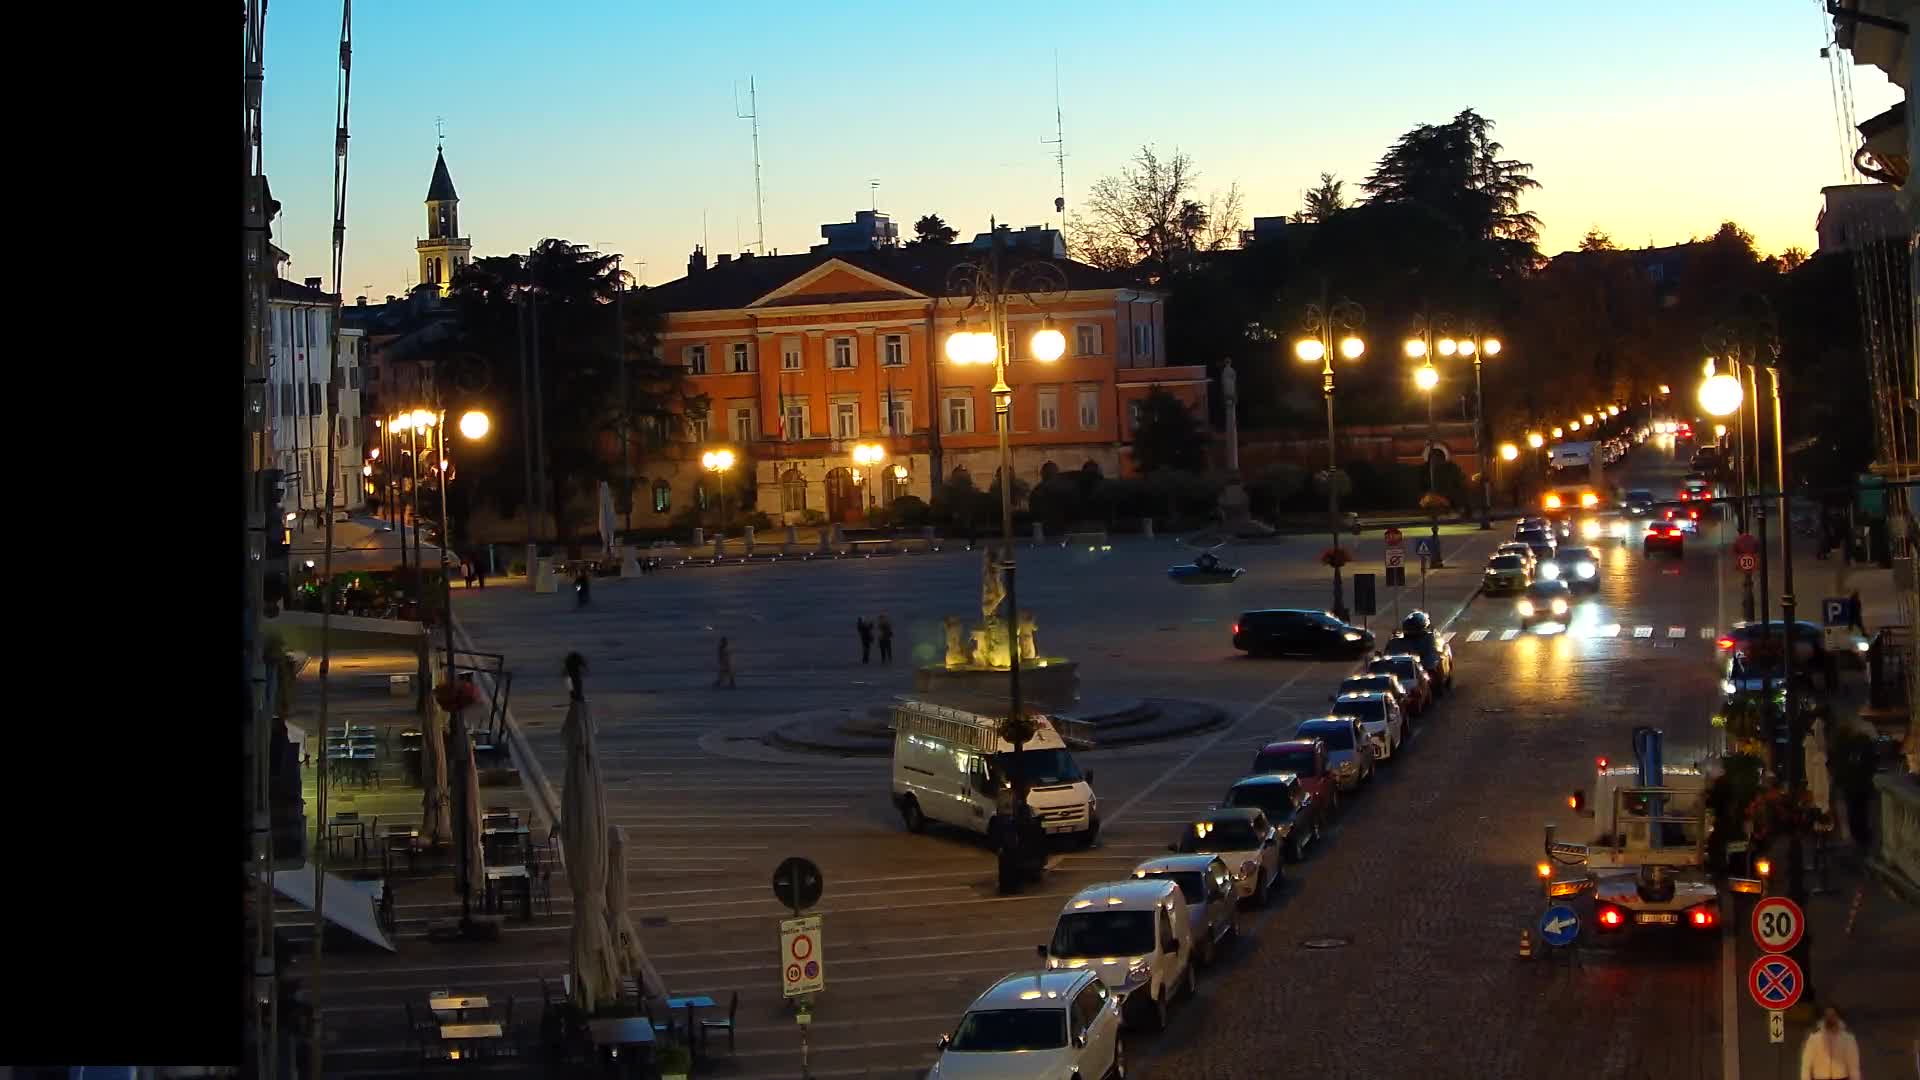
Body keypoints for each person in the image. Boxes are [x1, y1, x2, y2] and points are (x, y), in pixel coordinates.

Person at [1799, 1007, 1861, 1080]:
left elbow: (1853, 1066)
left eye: (1832, 1015)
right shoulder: (1814, 1039)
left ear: (1838, 1017)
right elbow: (1806, 1065)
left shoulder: (1848, 1039)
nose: (1830, 1018)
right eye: (1827, 1015)